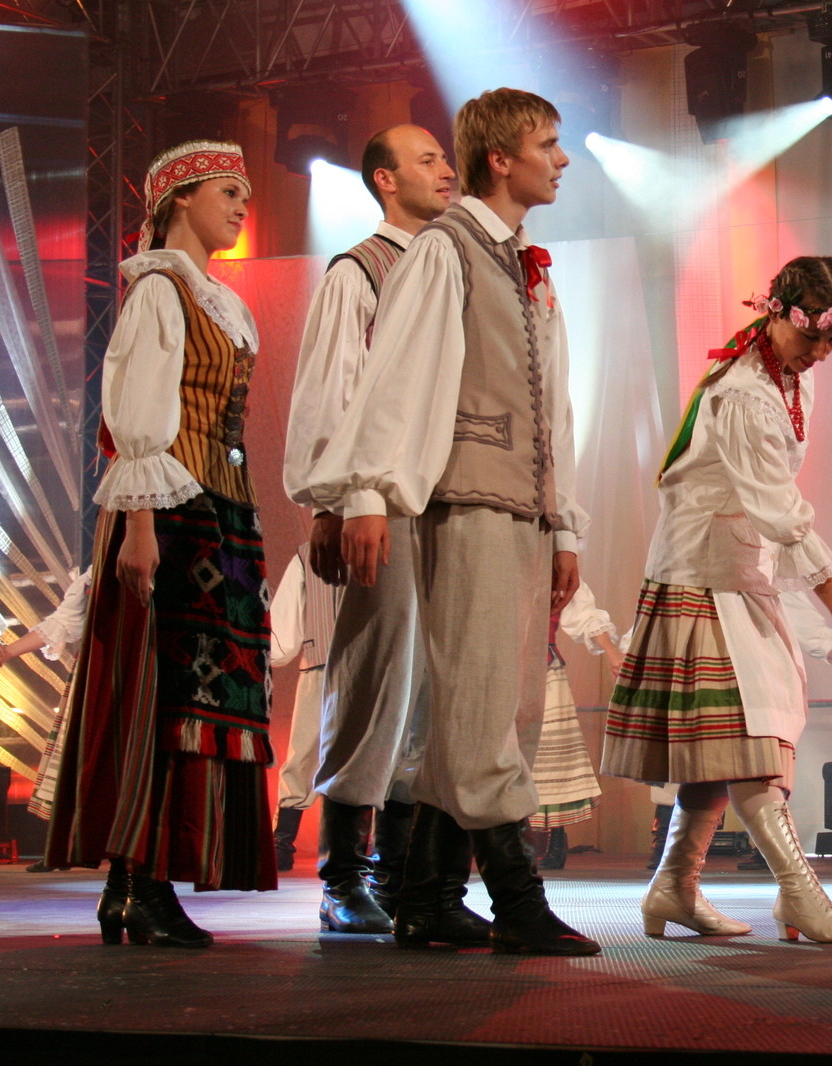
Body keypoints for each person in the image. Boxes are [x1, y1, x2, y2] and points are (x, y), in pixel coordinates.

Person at [309, 89, 597, 956]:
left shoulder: (523, 265)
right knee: (478, 704)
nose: (563, 158)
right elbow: (395, 377)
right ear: (501, 159)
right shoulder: (447, 249)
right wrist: (365, 494)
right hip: (464, 499)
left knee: (501, 706)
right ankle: (515, 898)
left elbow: (557, 410)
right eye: (548, 143)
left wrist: (565, 525)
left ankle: (427, 897)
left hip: (520, 507)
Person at [602, 256, 832, 944]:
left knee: (733, 742)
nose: (820, 353)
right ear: (777, 315)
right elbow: (777, 507)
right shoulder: (743, 394)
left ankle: (674, 886)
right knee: (750, 737)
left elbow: (773, 508)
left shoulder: (788, 376)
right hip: (703, 574)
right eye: (811, 337)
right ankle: (797, 891)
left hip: (742, 571)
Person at [42, 140, 273, 948]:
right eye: (226, 191)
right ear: (180, 200)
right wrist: (139, 525)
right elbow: (135, 412)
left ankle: (131, 887)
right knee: (162, 695)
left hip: (220, 510)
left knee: (205, 696)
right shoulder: (159, 291)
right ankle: (140, 882)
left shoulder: (220, 301)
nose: (241, 205)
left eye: (244, 193)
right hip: (166, 510)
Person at [283, 123, 464, 937]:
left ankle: (399, 874)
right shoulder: (361, 270)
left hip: (446, 497)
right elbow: (334, 389)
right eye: (426, 160)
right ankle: (341, 876)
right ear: (386, 180)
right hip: (381, 500)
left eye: (445, 157)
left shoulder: (451, 264)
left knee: (430, 687)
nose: (445, 169)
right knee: (375, 674)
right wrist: (339, 500)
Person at [0, 570, 92, 853]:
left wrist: (1, 648)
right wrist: (5, 651)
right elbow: (64, 621)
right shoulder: (95, 572)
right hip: (100, 664)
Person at [528, 581, 622, 870]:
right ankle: (512, 843)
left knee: (552, 757)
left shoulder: (555, 572)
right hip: (499, 668)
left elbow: (584, 615)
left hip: (543, 670)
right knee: (509, 758)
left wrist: (612, 651)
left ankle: (555, 839)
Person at [266, 546, 343, 873]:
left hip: (373, 663)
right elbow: (284, 624)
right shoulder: (307, 554)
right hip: (319, 663)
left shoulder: (391, 539)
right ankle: (282, 841)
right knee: (304, 753)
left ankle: (355, 847)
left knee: (372, 754)